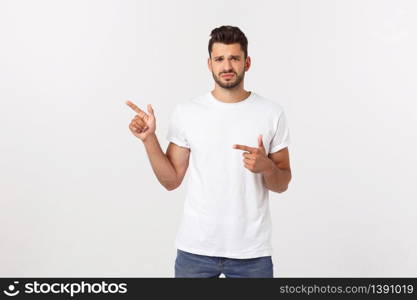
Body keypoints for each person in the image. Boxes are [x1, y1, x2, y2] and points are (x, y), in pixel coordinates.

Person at [126, 25, 292, 278]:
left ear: (247, 63)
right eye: (220, 59)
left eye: (234, 58)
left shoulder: (271, 112)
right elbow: (171, 181)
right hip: (196, 249)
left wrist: (267, 167)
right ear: (209, 64)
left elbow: (282, 184)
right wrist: (149, 140)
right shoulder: (187, 112)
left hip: (252, 253)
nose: (227, 66)